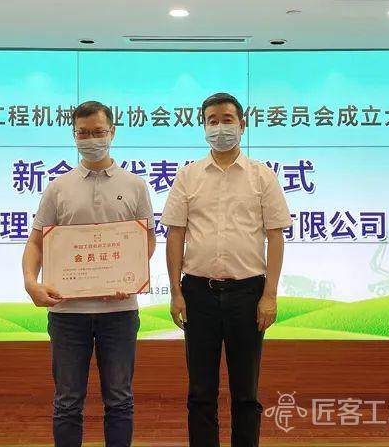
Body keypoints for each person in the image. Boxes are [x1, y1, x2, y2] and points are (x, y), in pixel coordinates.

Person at [21, 100, 156, 447]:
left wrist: (129, 276)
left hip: (119, 312)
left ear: (112, 132)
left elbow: (146, 241)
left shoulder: (136, 185)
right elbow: (36, 242)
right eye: (83, 133)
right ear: (74, 135)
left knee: (120, 401)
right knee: (67, 403)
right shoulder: (58, 187)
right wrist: (30, 283)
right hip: (67, 314)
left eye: (98, 132)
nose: (91, 139)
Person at [161, 92, 292, 446]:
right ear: (203, 127)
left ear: (242, 125)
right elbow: (175, 235)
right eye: (212, 121)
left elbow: (275, 237)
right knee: (200, 392)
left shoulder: (262, 177)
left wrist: (269, 295)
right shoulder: (188, 176)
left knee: (246, 392)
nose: (220, 127)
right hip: (198, 293)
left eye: (227, 119)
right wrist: (175, 292)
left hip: (247, 294)